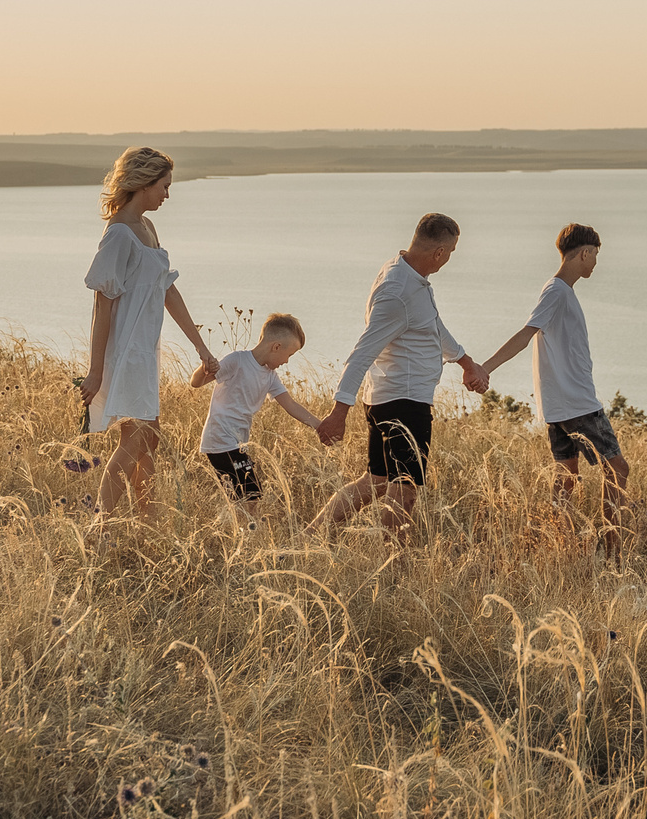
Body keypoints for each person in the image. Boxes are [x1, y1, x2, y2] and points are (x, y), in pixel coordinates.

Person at [315, 213, 490, 537]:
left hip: (393, 397)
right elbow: (362, 353)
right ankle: (394, 566)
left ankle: (312, 535)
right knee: (405, 489)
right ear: (439, 252)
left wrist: (466, 362)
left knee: (377, 481)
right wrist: (339, 412)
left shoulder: (410, 278)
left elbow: (432, 326)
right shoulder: (397, 291)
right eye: (451, 251)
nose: (450, 258)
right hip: (403, 402)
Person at [81, 146, 220, 519]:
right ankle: (101, 528)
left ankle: (147, 520)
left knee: (150, 438)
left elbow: (167, 291)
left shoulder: (147, 227)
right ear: (144, 183)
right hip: (126, 351)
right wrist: (96, 370)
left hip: (145, 350)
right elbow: (102, 305)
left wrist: (201, 348)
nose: (167, 194)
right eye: (164, 186)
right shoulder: (118, 235)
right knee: (136, 438)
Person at [478, 222, 629, 553]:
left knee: (568, 477)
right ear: (585, 253)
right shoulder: (557, 291)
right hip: (577, 403)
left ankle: (550, 544)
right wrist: (484, 368)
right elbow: (526, 333)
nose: (595, 263)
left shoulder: (560, 291)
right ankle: (612, 555)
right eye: (595, 256)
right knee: (617, 469)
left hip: (558, 404)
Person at [188, 312, 324, 530]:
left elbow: (290, 404)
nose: (287, 361)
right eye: (289, 355)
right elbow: (196, 382)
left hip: (237, 443)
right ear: (276, 347)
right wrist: (205, 366)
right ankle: (242, 536)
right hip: (220, 440)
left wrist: (319, 426)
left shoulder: (269, 375)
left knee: (249, 494)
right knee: (249, 493)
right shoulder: (237, 361)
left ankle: (239, 533)